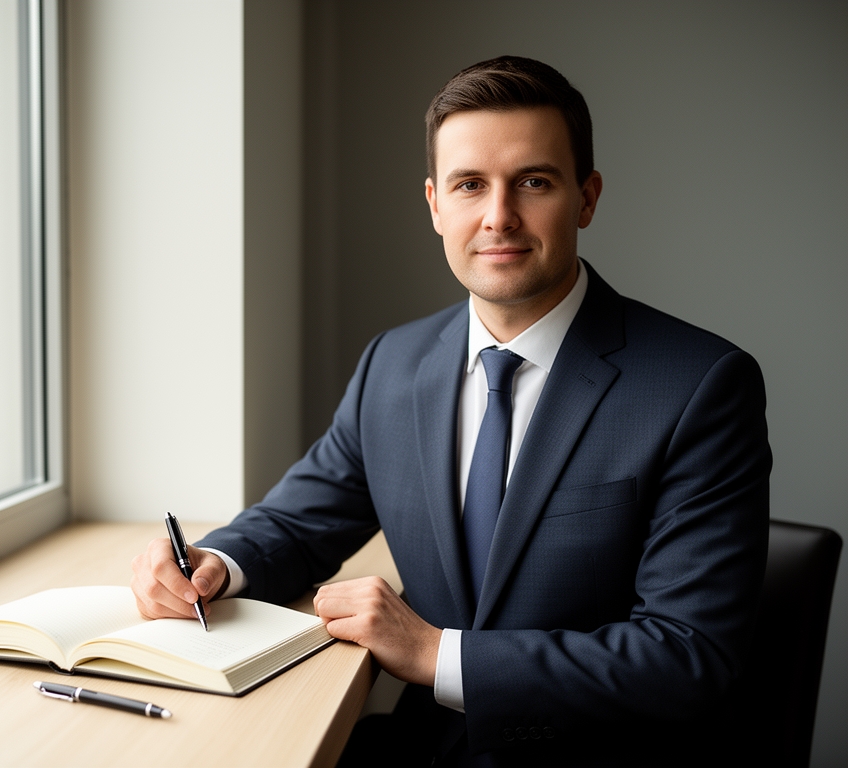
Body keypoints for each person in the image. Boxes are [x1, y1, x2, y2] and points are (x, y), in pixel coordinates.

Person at [131, 55, 770, 766]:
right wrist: (215, 564)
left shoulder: (701, 385)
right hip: (424, 748)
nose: (499, 216)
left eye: (534, 181)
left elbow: (688, 657)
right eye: (471, 185)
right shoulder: (393, 364)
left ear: (586, 199)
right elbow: (300, 520)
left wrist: (436, 653)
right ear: (436, 204)